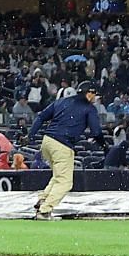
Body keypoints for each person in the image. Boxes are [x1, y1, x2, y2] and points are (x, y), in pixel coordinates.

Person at [30, 86, 102, 220]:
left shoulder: (61, 102)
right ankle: (45, 210)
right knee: (65, 182)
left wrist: (30, 135)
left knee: (58, 176)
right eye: (94, 94)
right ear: (88, 94)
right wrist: (104, 145)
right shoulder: (89, 108)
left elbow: (40, 117)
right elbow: (96, 131)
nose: (95, 97)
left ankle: (43, 200)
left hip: (47, 141)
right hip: (62, 144)